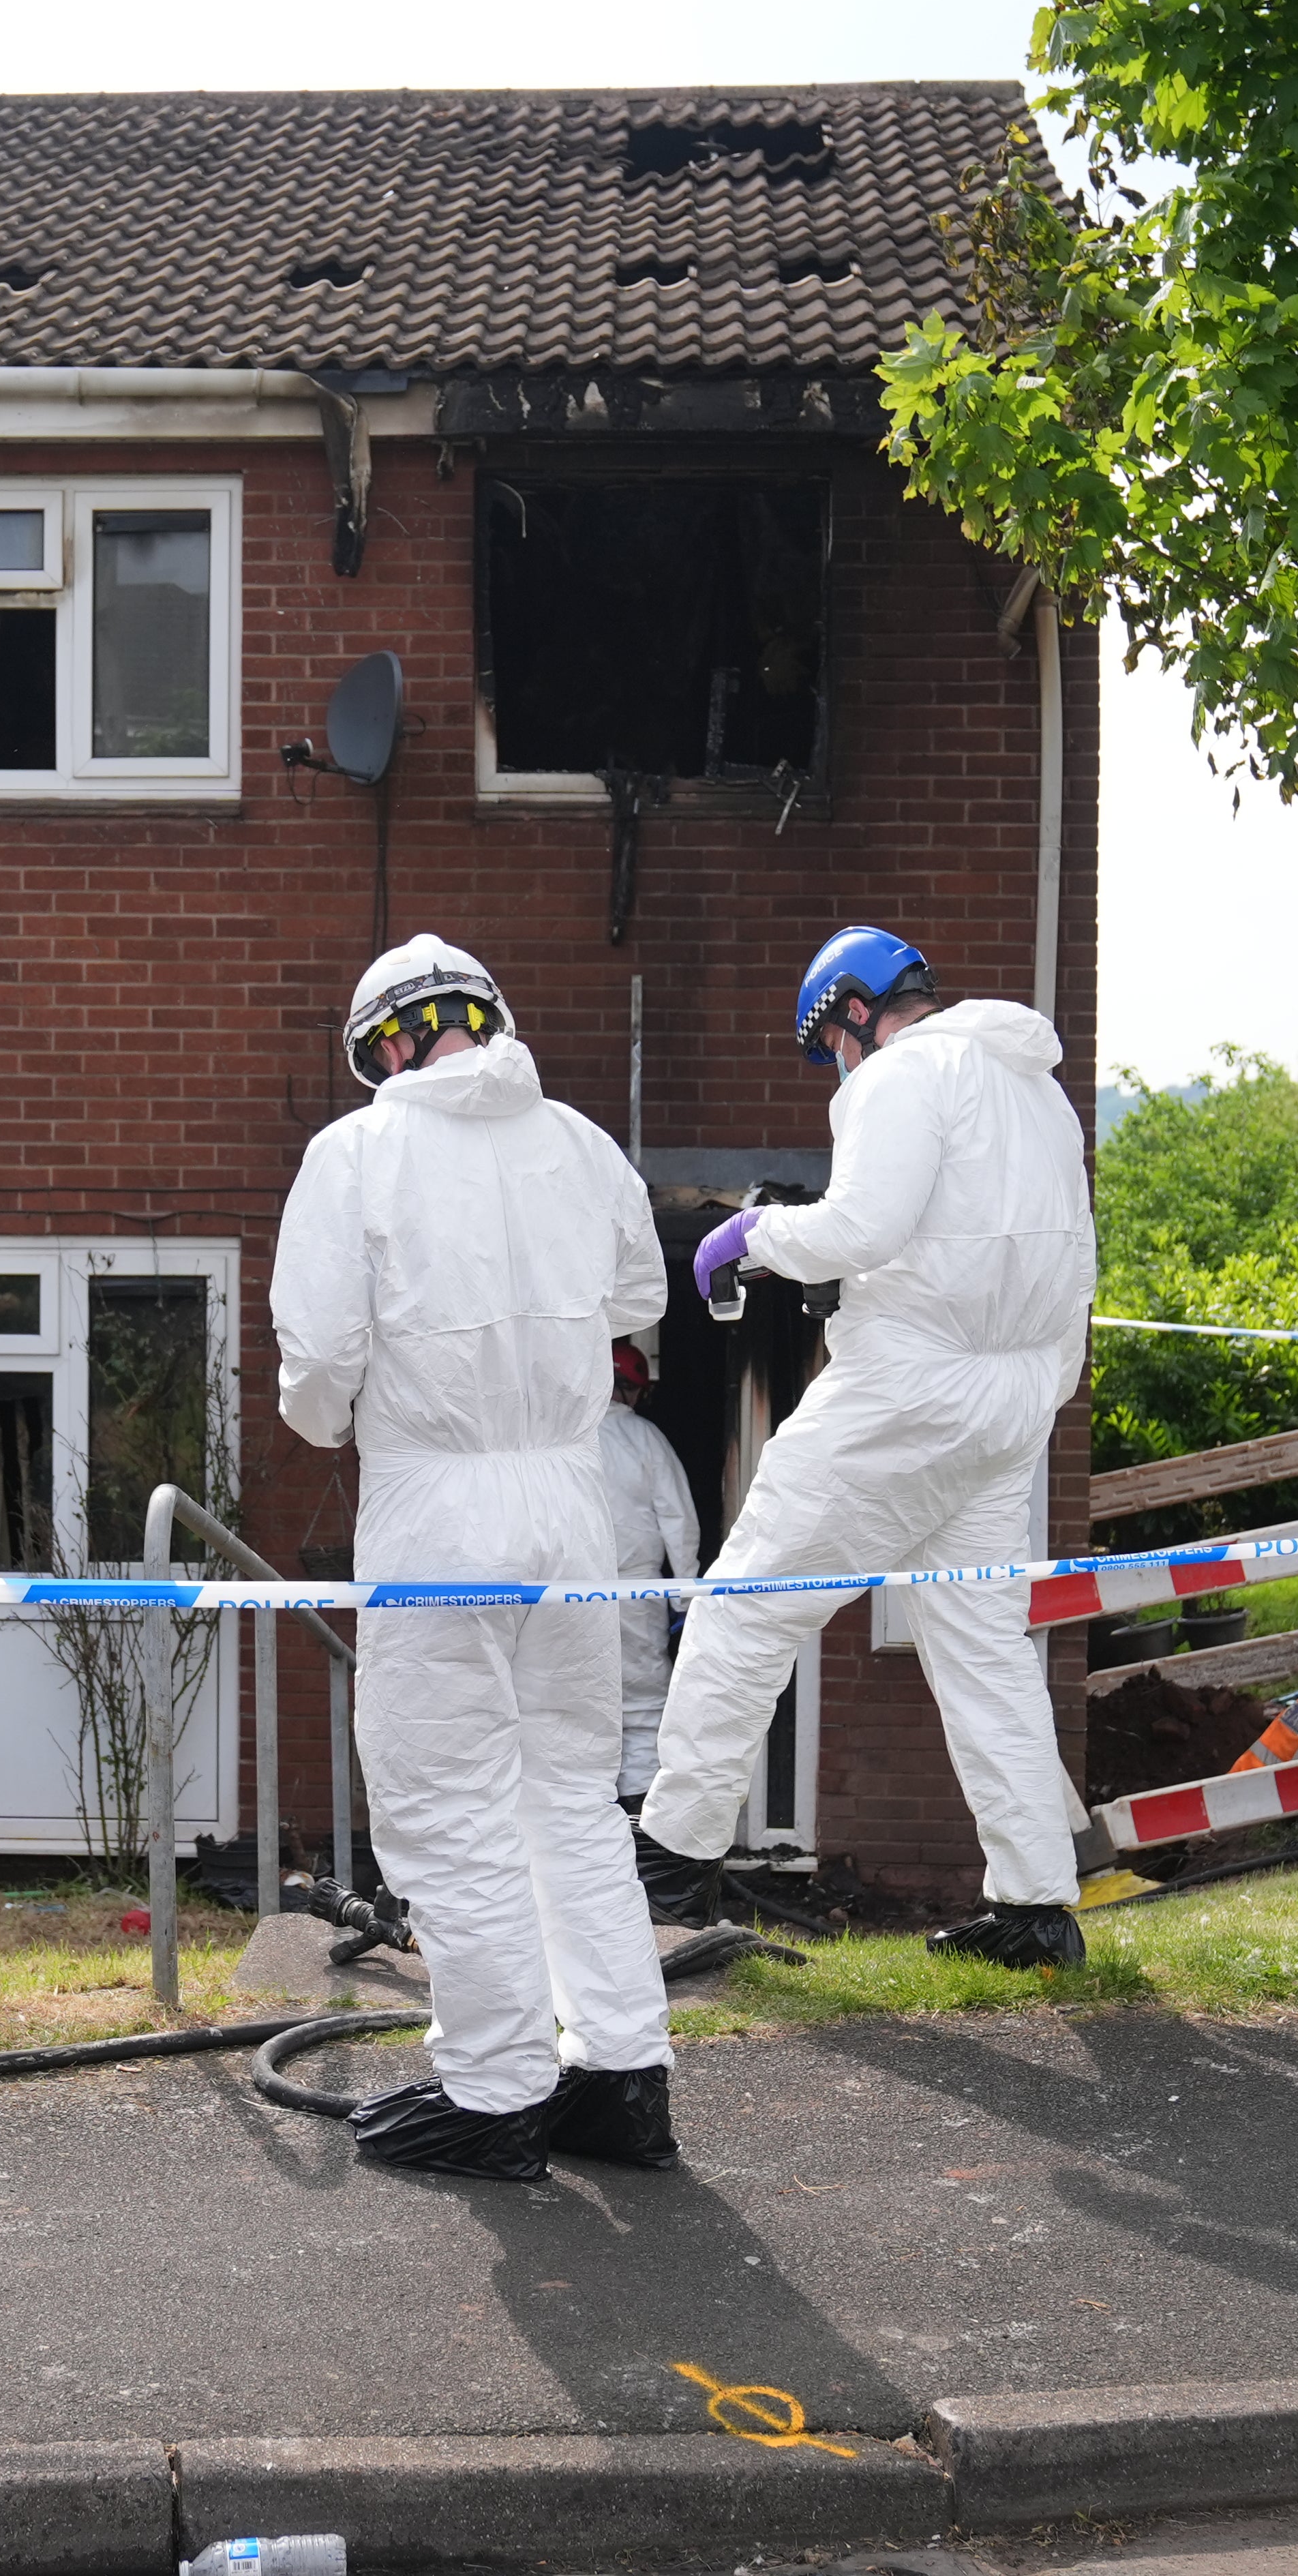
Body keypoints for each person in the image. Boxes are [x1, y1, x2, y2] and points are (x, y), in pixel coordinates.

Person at [270, 935, 678, 2180]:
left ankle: (495, 2092)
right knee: (569, 1796)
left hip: (438, 1513)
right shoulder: (582, 1144)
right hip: (572, 1506)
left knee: (449, 1802)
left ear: (386, 1047)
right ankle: (620, 2077)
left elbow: (318, 1364)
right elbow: (636, 1295)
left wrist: (330, 1413)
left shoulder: (357, 1157)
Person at [642, 926, 1100, 1971]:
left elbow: (861, 1225)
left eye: (830, 1046)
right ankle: (1037, 1911)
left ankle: (667, 1874)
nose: (836, 1071)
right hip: (1009, 1408)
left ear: (852, 1011)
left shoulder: (905, 1074)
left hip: (904, 1395)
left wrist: (750, 1237)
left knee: (744, 1606)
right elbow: (1035, 1254)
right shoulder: (1036, 1092)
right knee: (986, 1654)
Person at [597, 1341, 703, 1806]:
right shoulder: (645, 1439)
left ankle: (581, 1833)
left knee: (571, 1711)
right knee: (641, 1710)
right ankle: (640, 1837)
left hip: (562, 1594)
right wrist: (685, 1594)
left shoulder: (562, 1441)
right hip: (636, 1593)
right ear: (636, 1391)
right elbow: (678, 1519)